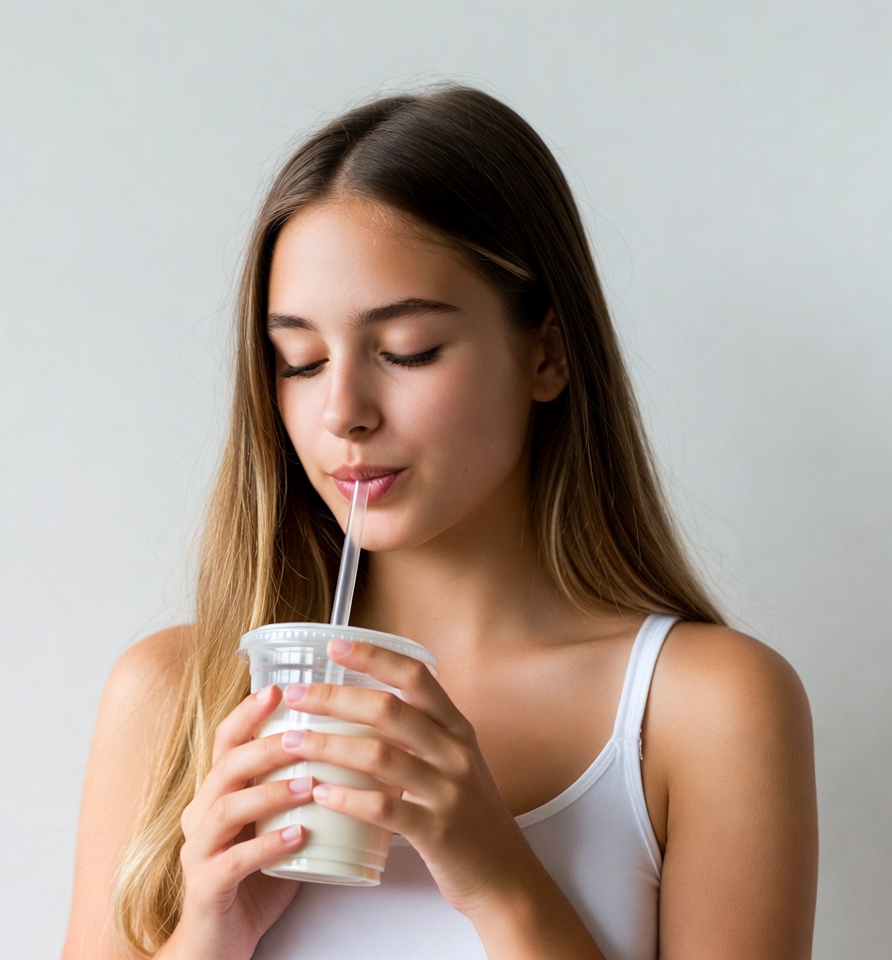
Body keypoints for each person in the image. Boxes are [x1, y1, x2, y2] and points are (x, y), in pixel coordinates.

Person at [61, 85, 817, 960]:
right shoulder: (175, 701)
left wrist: (499, 880)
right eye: (299, 361)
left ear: (548, 351)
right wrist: (207, 937)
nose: (342, 410)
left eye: (407, 350)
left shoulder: (705, 709)